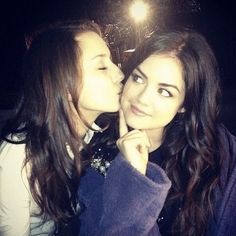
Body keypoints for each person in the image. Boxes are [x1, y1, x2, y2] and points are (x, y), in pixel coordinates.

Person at [77, 28, 236, 235]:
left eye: (164, 91)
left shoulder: (213, 160)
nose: (142, 98)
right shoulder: (93, 144)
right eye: (138, 78)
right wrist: (132, 176)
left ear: (184, 105)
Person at [0, 20, 124, 236]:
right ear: (64, 84)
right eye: (102, 66)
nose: (120, 74)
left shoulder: (99, 136)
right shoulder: (17, 159)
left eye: (112, 62)